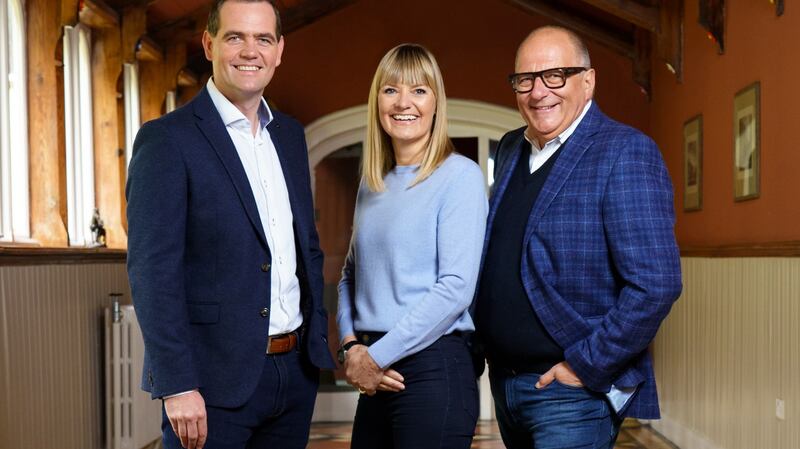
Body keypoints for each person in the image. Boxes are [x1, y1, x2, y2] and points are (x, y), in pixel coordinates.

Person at [126, 1, 334, 448]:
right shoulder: (167, 139)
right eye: (234, 37)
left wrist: (313, 343)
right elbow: (152, 271)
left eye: (262, 39)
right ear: (208, 44)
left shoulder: (290, 136)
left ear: (279, 50)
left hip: (293, 374)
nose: (249, 51)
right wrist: (176, 383)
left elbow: (305, 249)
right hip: (210, 383)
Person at [473, 26, 682, 449]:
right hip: (507, 385)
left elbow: (656, 284)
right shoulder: (513, 146)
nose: (538, 92)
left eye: (556, 75)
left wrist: (584, 366)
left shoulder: (625, 151)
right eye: (525, 79)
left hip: (571, 392)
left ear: (588, 80)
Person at [336, 43, 488, 449]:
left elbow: (455, 288)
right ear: (377, 101)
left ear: (436, 102)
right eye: (391, 90)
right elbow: (350, 276)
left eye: (419, 90)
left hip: (433, 368)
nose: (404, 102)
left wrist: (375, 355)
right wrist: (351, 346)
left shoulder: (460, 176)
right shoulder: (373, 183)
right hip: (375, 366)